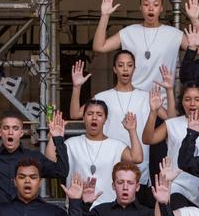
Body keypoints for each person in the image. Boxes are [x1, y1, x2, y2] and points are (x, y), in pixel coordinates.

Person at [69, 54, 174, 203]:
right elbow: (74, 114)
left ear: (134, 69)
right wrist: (77, 87)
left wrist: (169, 91)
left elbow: (172, 119)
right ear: (114, 69)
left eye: (129, 65)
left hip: (140, 166)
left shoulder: (146, 96)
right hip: (110, 167)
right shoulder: (103, 96)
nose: (125, 69)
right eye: (120, 65)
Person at [93, 0, 199, 95]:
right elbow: (99, 47)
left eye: (155, 4)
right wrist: (105, 16)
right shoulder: (129, 32)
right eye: (146, 4)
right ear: (140, 7)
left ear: (161, 8)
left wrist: (194, 19)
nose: (151, 8)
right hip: (134, 100)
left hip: (163, 102)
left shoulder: (173, 34)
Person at [142, 83, 199, 207]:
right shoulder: (172, 123)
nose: (192, 103)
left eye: (197, 99)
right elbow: (148, 139)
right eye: (187, 99)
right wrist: (154, 111)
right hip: (177, 184)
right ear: (182, 102)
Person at [46, 102, 144, 207]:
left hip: (108, 208)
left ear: (105, 119)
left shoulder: (116, 145)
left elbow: (137, 158)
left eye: (99, 114)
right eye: (90, 114)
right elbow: (51, 160)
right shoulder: (71, 143)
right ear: (83, 118)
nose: (94, 117)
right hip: (77, 207)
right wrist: (54, 135)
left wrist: (132, 130)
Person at [0, 110, 68, 205]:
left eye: (15, 128)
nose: (10, 132)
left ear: (21, 133)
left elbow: (61, 172)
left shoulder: (34, 157)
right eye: (6, 128)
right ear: (0, 132)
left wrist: (58, 139)